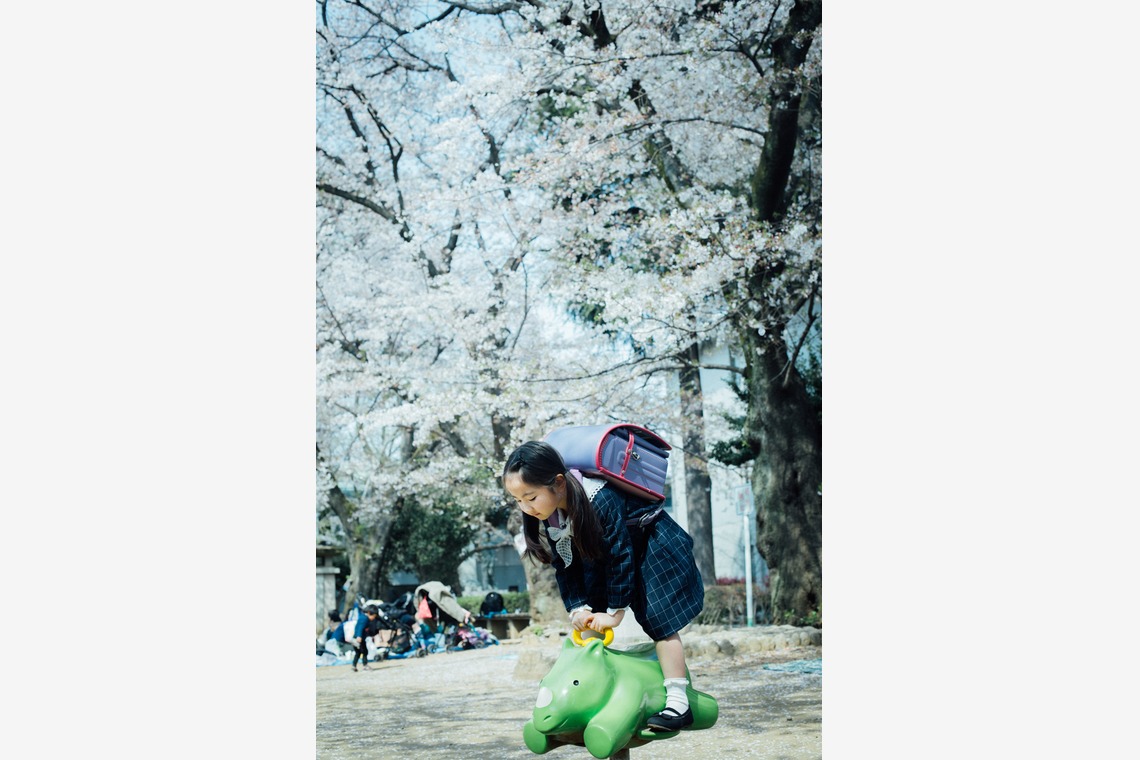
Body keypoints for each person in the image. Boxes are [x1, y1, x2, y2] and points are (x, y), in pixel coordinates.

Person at [503, 441, 705, 732]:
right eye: (518, 500)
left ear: (558, 483)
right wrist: (577, 607)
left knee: (660, 623)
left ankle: (678, 703)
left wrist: (615, 612)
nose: (526, 507)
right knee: (587, 625)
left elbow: (620, 556)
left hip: (652, 546)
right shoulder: (551, 515)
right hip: (604, 555)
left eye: (531, 497)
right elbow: (565, 564)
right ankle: (586, 696)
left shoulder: (601, 497)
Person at [349, 604, 383, 672]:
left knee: (358, 653)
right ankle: (365, 665)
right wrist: (359, 636)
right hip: (359, 639)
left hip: (357, 638)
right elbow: (360, 628)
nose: (374, 618)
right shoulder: (365, 619)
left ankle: (353, 666)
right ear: (369, 613)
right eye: (373, 616)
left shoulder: (362, 617)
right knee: (365, 652)